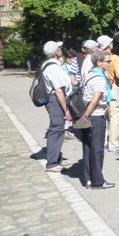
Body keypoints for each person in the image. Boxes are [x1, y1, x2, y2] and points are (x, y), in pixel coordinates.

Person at [79, 50, 115, 189]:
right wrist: (86, 116)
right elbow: (95, 100)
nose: (110, 63)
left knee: (88, 147)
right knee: (97, 148)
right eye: (108, 61)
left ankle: (88, 179)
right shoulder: (99, 78)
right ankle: (98, 181)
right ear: (99, 62)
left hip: (88, 114)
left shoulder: (89, 75)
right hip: (95, 116)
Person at [40, 40, 72, 172]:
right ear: (56, 52)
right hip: (55, 100)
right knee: (56, 129)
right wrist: (65, 109)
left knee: (57, 128)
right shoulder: (53, 67)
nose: (61, 50)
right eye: (59, 48)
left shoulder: (48, 64)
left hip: (53, 99)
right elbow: (59, 90)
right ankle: (52, 163)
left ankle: (56, 157)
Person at [97, 35, 119, 153]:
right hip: (113, 87)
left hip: (100, 87)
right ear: (109, 45)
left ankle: (103, 142)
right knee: (114, 116)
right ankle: (113, 144)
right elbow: (118, 74)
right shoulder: (114, 58)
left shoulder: (97, 57)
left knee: (103, 115)